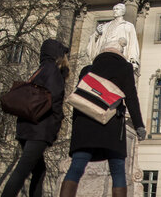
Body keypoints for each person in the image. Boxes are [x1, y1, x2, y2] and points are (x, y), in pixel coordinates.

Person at [60, 39, 146, 197]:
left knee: (76, 167)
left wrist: (76, 127)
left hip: (85, 126)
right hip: (110, 125)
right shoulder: (124, 68)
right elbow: (131, 98)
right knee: (118, 170)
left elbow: (79, 99)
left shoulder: (87, 70)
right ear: (120, 53)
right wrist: (139, 125)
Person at [1, 39, 70, 197]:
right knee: (22, 170)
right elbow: (55, 99)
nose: (66, 57)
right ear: (57, 54)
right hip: (39, 130)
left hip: (26, 128)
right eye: (64, 53)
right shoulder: (53, 71)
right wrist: (57, 124)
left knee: (39, 171)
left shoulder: (40, 70)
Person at [86, 3, 139, 70]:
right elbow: (96, 41)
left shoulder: (128, 25)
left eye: (117, 9)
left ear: (123, 11)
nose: (115, 11)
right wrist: (96, 33)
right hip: (104, 56)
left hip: (120, 57)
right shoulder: (106, 26)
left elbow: (133, 42)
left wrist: (133, 57)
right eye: (114, 9)